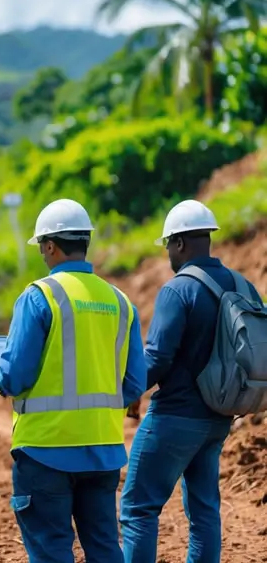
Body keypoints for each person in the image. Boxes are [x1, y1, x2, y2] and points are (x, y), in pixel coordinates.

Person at [0, 198, 147, 563]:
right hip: (103, 451)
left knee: (51, 551)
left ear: (49, 245)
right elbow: (133, 385)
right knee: (105, 549)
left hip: (46, 450)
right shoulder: (122, 302)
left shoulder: (40, 296)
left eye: (42, 248)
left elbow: (15, 378)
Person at [119, 200, 261, 563]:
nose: (168, 252)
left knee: (138, 508)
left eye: (168, 244)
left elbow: (158, 358)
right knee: (204, 512)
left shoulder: (178, 289)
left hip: (174, 419)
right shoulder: (243, 286)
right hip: (218, 417)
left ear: (179, 243)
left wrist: (127, 390)